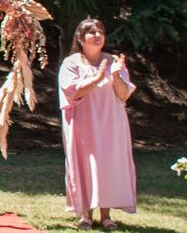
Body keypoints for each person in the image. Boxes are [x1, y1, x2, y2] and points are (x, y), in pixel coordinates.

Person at [58, 18, 136, 231]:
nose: (97, 35)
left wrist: (116, 75)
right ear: (80, 39)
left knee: (107, 165)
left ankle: (106, 216)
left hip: (111, 122)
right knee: (86, 164)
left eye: (100, 31)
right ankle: (85, 215)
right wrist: (98, 77)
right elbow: (73, 91)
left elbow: (122, 94)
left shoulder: (113, 61)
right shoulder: (72, 63)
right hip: (84, 123)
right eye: (91, 32)